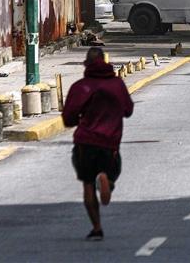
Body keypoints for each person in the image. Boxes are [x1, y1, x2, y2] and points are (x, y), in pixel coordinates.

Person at [62, 47, 134, 241]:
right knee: (112, 171)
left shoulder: (80, 86)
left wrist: (82, 119)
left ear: (87, 64)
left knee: (86, 184)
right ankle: (107, 180)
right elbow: (128, 110)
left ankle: (97, 227)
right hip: (110, 143)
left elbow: (68, 118)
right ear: (106, 62)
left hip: (85, 142)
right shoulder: (117, 85)